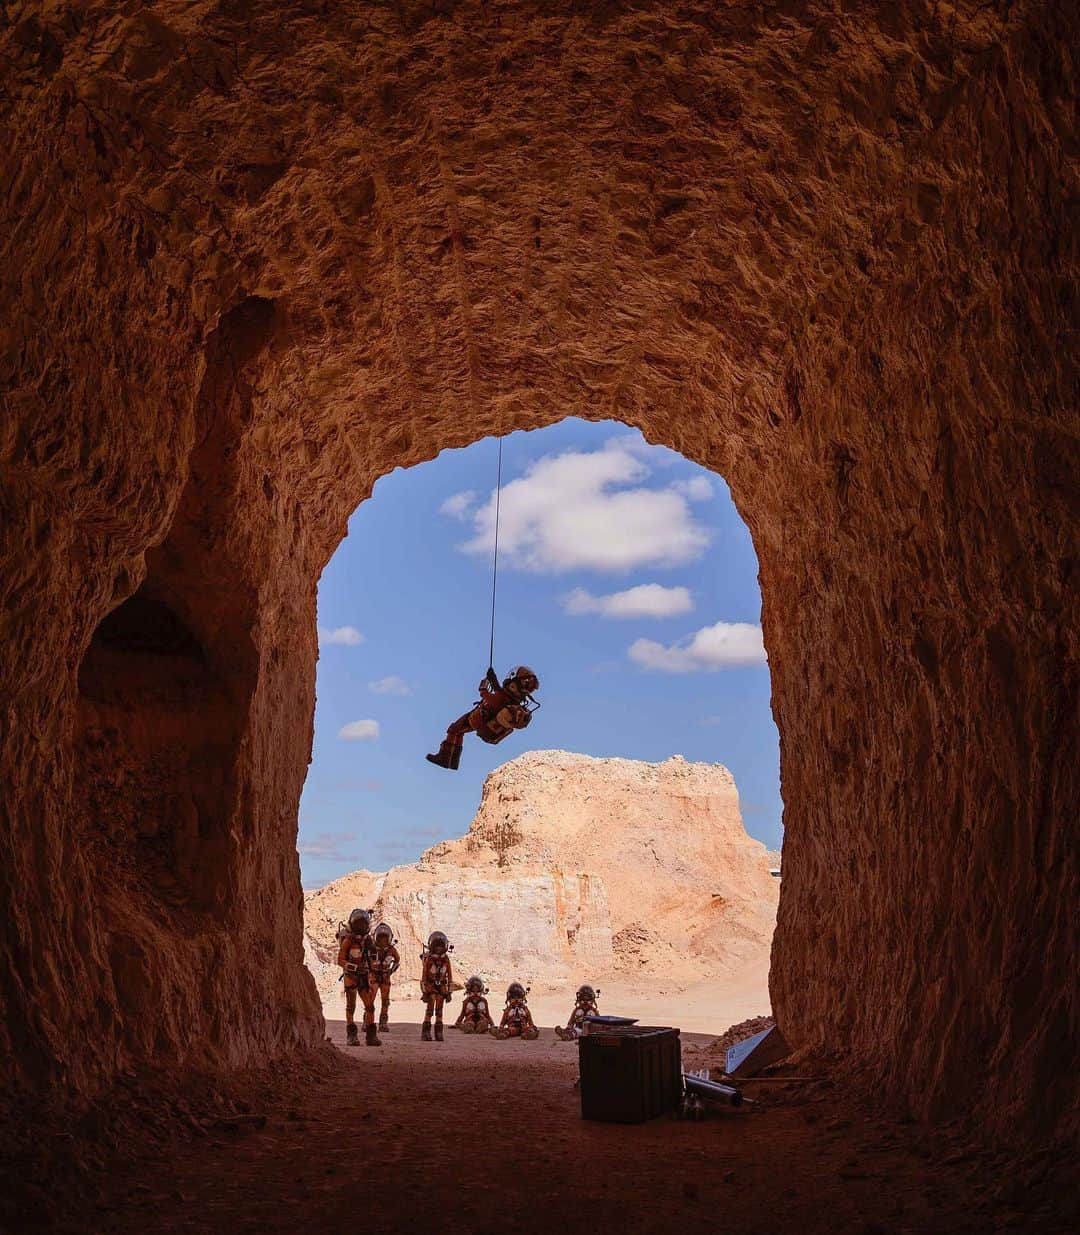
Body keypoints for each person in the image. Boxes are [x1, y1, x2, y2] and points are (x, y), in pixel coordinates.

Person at [426, 665, 539, 770]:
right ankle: (453, 762)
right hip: (482, 721)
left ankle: (444, 758)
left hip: (476, 718)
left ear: (514, 684)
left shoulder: (503, 697)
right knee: (459, 733)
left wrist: (483, 689)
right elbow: (498, 690)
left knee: (453, 730)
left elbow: (489, 697)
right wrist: (493, 678)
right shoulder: (512, 700)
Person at [337, 908, 381, 1047]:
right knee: (351, 1007)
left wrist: (373, 966)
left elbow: (373, 955)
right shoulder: (348, 940)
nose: (361, 927)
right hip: (351, 977)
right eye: (359, 924)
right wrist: (354, 968)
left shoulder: (367, 940)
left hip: (363, 976)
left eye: (363, 924)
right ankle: (351, 1036)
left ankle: (371, 1035)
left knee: (370, 1006)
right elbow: (340, 960)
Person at [420, 930, 454, 1041]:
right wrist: (424, 992)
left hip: (442, 989)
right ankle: (426, 1033)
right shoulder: (429, 960)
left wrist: (449, 992)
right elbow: (424, 977)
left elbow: (450, 977)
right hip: (431, 988)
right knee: (430, 1010)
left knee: (439, 1010)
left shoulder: (446, 960)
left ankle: (439, 1033)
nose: (439, 949)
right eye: (437, 947)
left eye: (441, 947)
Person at [369, 922, 400, 1034]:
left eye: (384, 938)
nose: (382, 941)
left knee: (385, 1001)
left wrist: (391, 970)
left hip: (385, 977)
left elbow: (397, 960)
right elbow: (366, 960)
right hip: (374, 976)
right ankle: (368, 1021)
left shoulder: (391, 950)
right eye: (380, 938)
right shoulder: (372, 949)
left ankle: (383, 1023)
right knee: (370, 999)